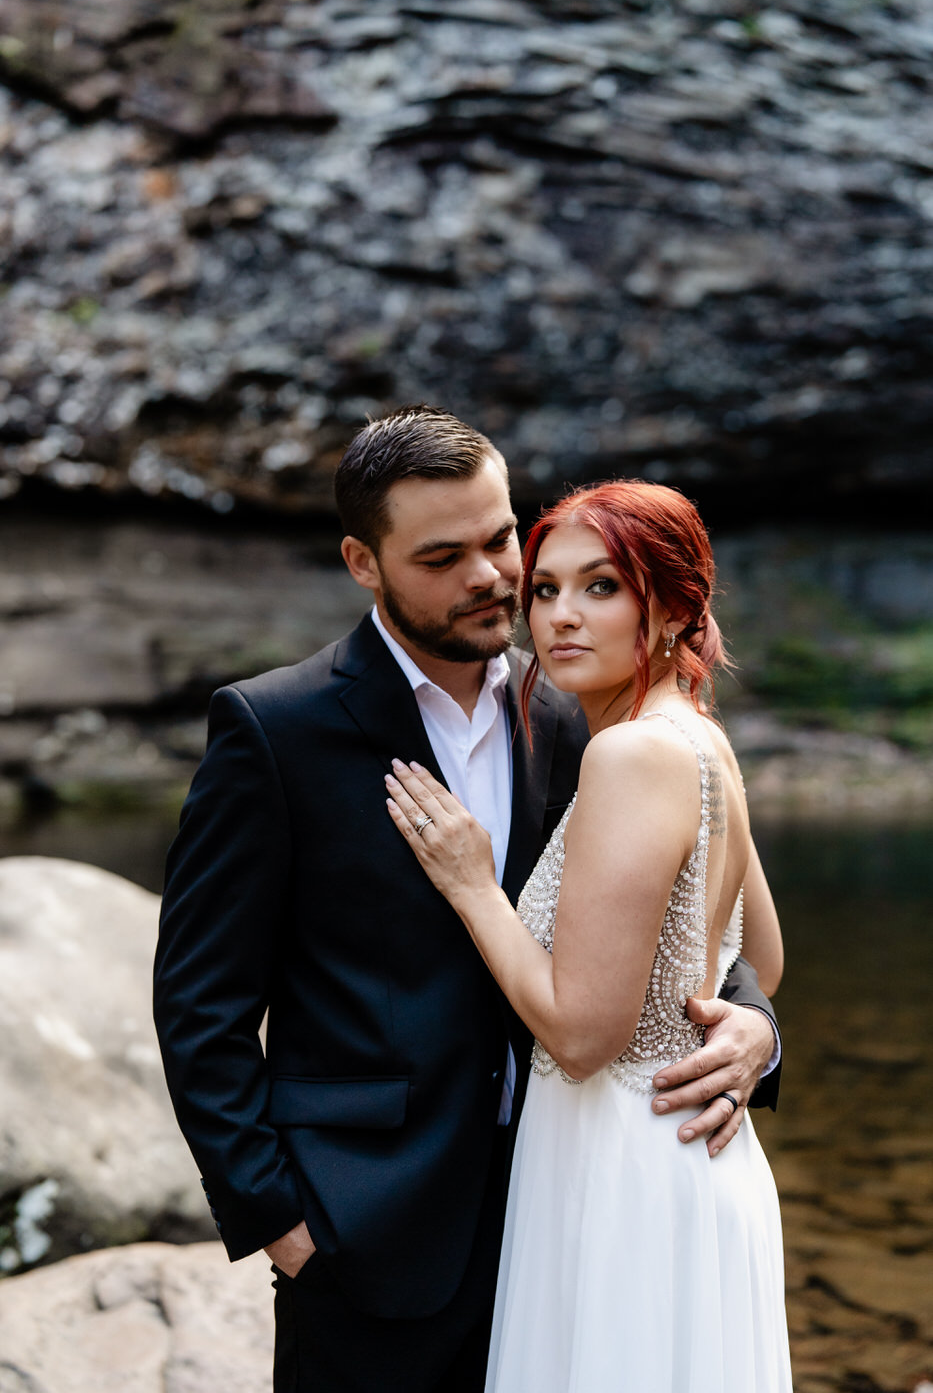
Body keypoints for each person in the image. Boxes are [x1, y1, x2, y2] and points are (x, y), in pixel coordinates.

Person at [153, 407, 782, 1393]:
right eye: (443, 557)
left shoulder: (579, 712)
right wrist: (279, 1220)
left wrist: (754, 1026)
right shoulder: (276, 731)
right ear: (363, 562)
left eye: (499, 539)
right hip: (368, 1240)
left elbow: (683, 914)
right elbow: (201, 1004)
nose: (491, 576)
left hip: (571, 1214)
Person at [386, 477, 793, 1393]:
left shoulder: (628, 752)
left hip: (621, 1170)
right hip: (688, 1157)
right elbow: (759, 959)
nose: (559, 615)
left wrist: (473, 887)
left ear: (675, 608)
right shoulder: (699, 737)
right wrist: (745, 1026)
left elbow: (578, 1039)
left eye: (600, 586)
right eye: (544, 589)